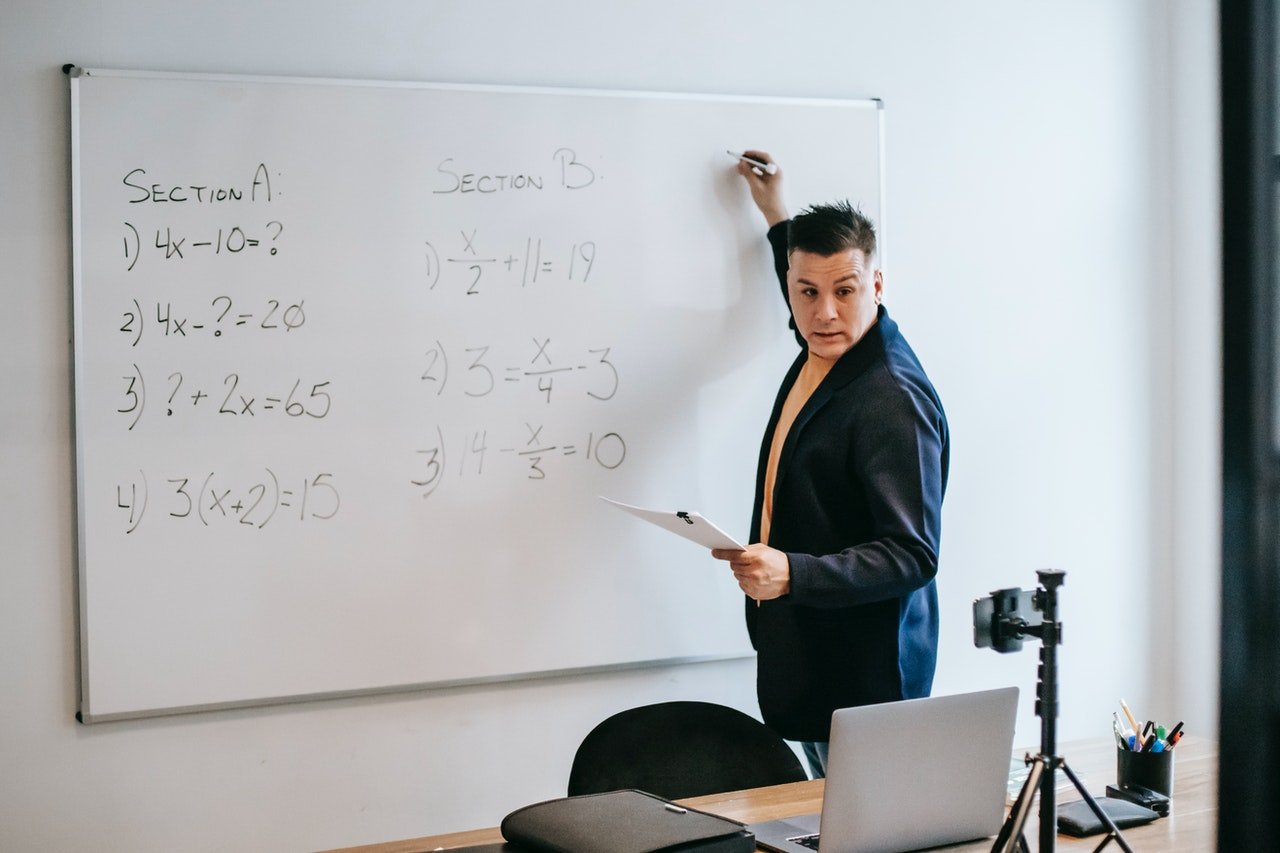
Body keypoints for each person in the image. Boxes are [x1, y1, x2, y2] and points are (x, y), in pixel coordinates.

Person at [711, 151, 949, 778]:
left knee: (860, 833)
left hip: (865, 677)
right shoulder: (828, 341)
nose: (823, 313)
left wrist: (792, 572)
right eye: (805, 292)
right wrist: (775, 215)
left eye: (845, 291)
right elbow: (807, 275)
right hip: (815, 653)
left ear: (876, 286)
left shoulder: (891, 399)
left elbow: (912, 553)